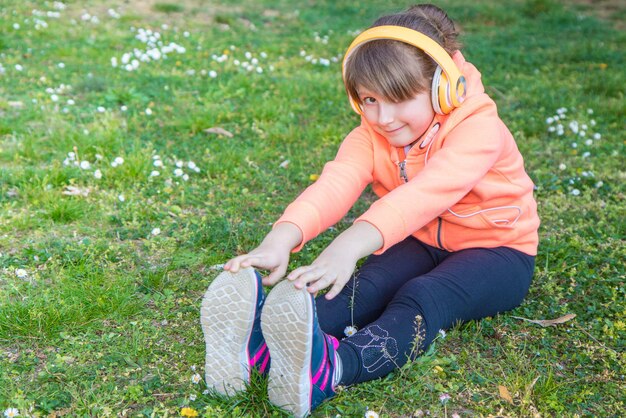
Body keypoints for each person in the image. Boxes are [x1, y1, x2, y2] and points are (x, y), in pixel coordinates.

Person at [200, 4, 540, 417]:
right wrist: (282, 238)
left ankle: (332, 368)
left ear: (441, 87)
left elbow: (425, 195)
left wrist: (349, 244)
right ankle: (260, 352)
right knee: (369, 285)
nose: (383, 118)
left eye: (399, 100)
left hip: (499, 253)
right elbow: (336, 182)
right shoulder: (371, 131)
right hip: (421, 239)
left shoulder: (478, 128)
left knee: (422, 295)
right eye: (370, 100)